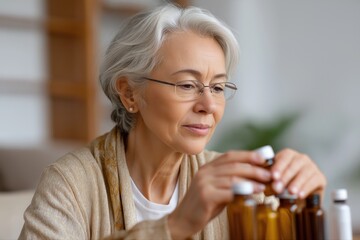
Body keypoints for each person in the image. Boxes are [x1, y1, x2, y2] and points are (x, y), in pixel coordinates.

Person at [19, 3, 326, 240]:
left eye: (218, 87)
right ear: (129, 94)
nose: (208, 105)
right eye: (187, 85)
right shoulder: (70, 183)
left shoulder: (237, 186)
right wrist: (176, 226)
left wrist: (305, 209)